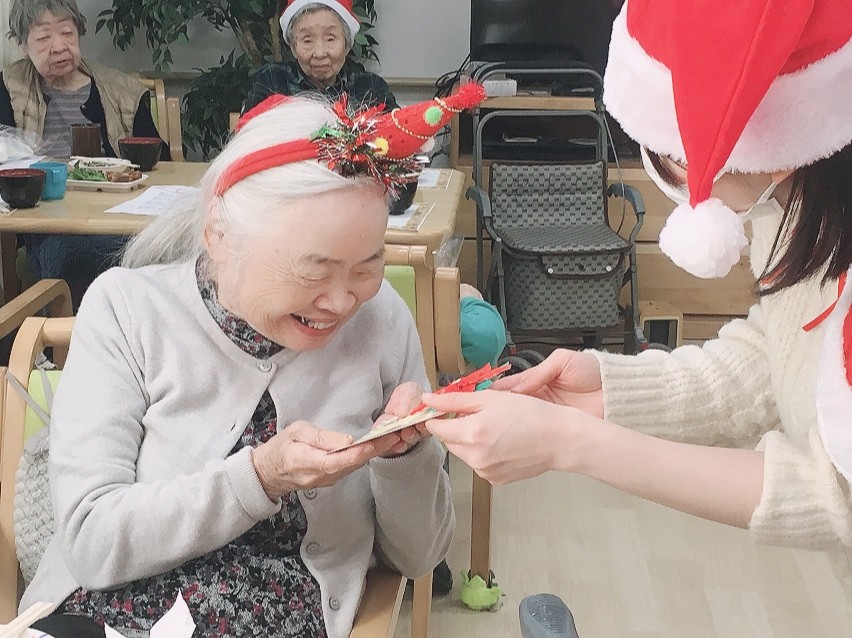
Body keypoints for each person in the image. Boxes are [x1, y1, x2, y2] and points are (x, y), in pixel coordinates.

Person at [422, 0, 852, 602]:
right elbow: (774, 352)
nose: (661, 173)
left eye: (672, 154)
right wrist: (607, 389)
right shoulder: (797, 201)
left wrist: (572, 443)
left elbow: (837, 497)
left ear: (768, 148)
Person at [17, 87, 486, 637]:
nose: (342, 301)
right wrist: (261, 477)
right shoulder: (126, 309)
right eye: (314, 270)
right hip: (105, 614)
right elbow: (92, 543)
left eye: (367, 266)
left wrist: (406, 456)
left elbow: (419, 555)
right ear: (219, 235)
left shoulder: (381, 319)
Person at [2, 0, 169, 310]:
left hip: (120, 220)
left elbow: (162, 164)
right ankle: (70, 338)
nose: (58, 47)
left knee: (159, 252)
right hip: (51, 227)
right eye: (43, 37)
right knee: (73, 256)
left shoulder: (120, 91)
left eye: (67, 32)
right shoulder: (9, 89)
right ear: (22, 45)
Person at [243, 0, 398, 114]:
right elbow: (245, 139)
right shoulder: (271, 81)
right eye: (307, 40)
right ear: (293, 47)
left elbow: (400, 135)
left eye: (330, 39)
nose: (319, 53)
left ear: (347, 44)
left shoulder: (370, 88)